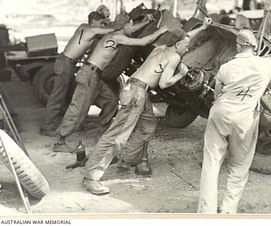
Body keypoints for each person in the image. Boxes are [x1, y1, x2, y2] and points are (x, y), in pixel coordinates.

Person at [81, 17, 213, 195]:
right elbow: (165, 83)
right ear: (178, 44)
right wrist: (181, 74)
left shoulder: (161, 49)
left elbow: (184, 36)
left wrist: (203, 27)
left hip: (135, 89)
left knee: (148, 125)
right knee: (116, 135)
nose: (187, 48)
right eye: (185, 45)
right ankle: (91, 177)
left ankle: (128, 159)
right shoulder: (174, 57)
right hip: (137, 93)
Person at [197, 30, 271, 214]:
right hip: (245, 117)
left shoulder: (226, 67)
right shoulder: (265, 64)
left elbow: (217, 93)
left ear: (237, 45)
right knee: (239, 166)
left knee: (211, 162)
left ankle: (206, 211)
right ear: (254, 47)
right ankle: (228, 211)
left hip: (220, 113)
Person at [54, 13, 167, 153]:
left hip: (95, 75)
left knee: (111, 101)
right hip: (89, 75)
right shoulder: (116, 37)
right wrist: (161, 31)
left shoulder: (115, 34)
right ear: (124, 25)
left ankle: (103, 133)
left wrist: (145, 21)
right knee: (78, 108)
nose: (131, 27)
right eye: (130, 24)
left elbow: (129, 30)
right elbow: (144, 42)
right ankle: (61, 141)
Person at [40, 11, 114, 137]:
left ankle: (74, 123)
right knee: (58, 96)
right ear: (94, 21)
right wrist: (114, 24)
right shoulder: (92, 30)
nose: (102, 25)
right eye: (100, 22)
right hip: (66, 63)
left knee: (70, 95)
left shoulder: (83, 26)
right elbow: (112, 30)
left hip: (66, 61)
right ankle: (47, 127)